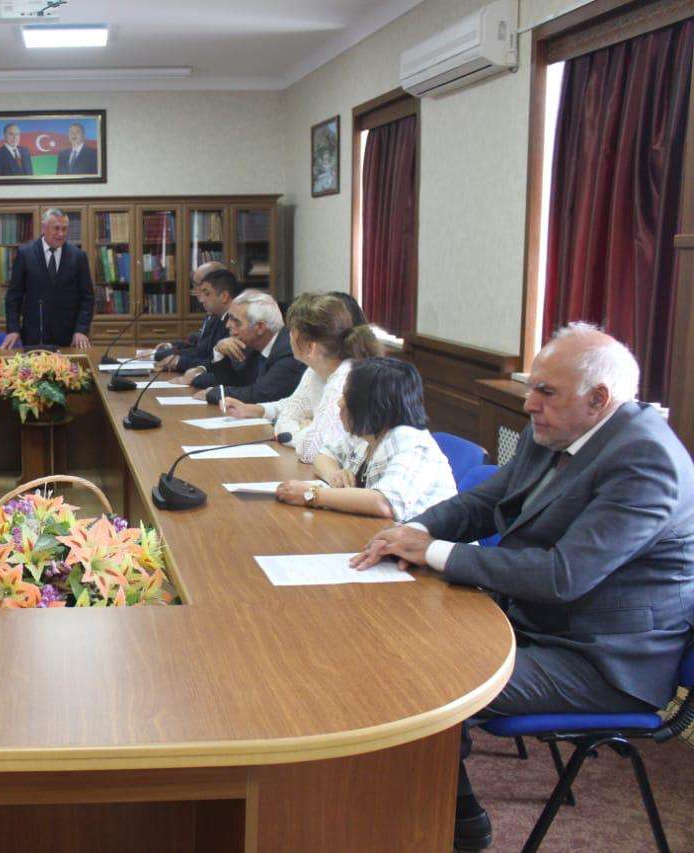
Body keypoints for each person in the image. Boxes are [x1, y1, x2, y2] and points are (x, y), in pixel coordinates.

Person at [351, 324, 694, 851]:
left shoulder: (647, 462)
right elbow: (484, 502)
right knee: (390, 639)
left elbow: (563, 576)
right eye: (532, 387)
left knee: (422, 679)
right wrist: (413, 530)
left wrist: (435, 553)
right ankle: (445, 805)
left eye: (546, 391)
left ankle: (446, 822)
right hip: (536, 619)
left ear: (598, 399)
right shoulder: (557, 430)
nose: (530, 403)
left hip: (602, 658)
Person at [277, 358, 455, 520]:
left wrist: (312, 494)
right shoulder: (367, 435)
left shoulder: (412, 445)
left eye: (346, 396)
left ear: (370, 405)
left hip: (420, 542)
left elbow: (384, 503)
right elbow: (323, 454)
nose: (339, 403)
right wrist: (333, 474)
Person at [223, 292, 383, 462]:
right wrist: (307, 428)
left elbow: (310, 451)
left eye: (292, 332)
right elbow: (287, 417)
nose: (288, 337)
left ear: (310, 347)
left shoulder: (344, 379)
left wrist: (304, 428)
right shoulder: (314, 371)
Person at [185, 289, 306, 409]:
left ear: (260, 327)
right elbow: (236, 382)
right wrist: (219, 352)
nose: (228, 325)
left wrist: (217, 394)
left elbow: (260, 394)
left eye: (236, 321)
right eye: (229, 318)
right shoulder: (253, 346)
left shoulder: (289, 351)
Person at [1, 208, 95, 349]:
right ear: (44, 227)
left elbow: (87, 297)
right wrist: (13, 328)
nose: (61, 234)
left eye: (64, 229)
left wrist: (81, 330)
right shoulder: (25, 254)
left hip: (69, 338)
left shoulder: (78, 256)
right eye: (56, 228)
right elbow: (14, 296)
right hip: (34, 336)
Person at [156, 262, 232, 372]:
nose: (197, 292)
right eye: (195, 285)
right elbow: (200, 348)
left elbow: (213, 361)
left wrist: (180, 362)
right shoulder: (215, 314)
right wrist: (169, 352)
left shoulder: (227, 318)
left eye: (199, 286)